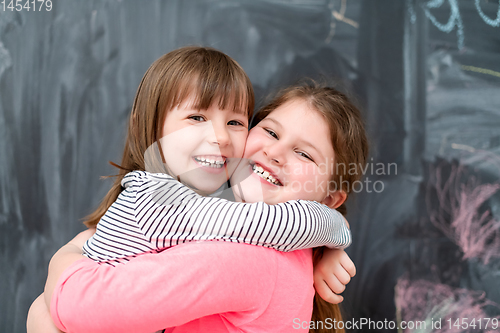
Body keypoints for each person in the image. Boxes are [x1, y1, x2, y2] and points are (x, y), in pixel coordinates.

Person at [27, 47, 363, 332]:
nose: (219, 137)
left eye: (234, 122)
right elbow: (282, 223)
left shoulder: (242, 256)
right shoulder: (166, 202)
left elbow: (72, 302)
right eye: (271, 133)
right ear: (152, 126)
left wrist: (61, 264)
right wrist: (333, 229)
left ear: (332, 196)